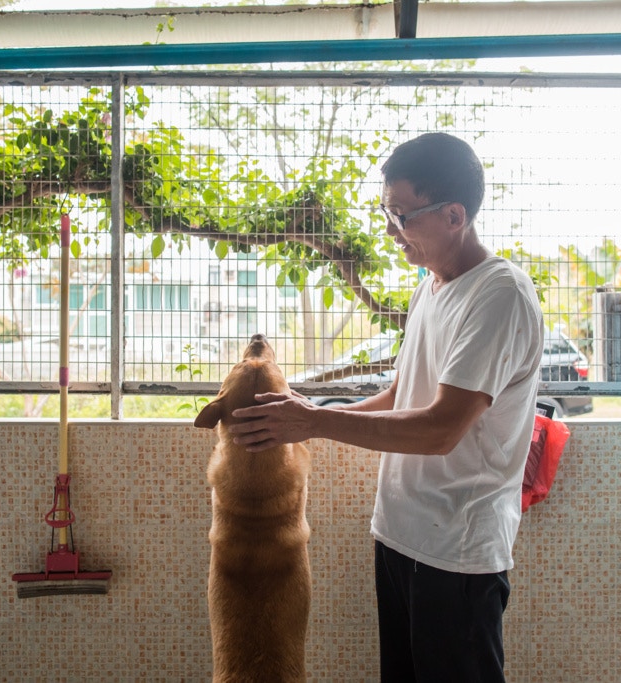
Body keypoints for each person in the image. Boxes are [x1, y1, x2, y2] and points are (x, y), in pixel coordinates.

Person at [229, 132, 544, 682]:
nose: (389, 229)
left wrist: (317, 421)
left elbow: (441, 428)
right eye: (385, 211)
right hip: (401, 534)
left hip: (457, 553)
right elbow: (403, 396)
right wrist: (312, 411)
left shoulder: (499, 295)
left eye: (401, 215)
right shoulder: (431, 286)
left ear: (454, 215)